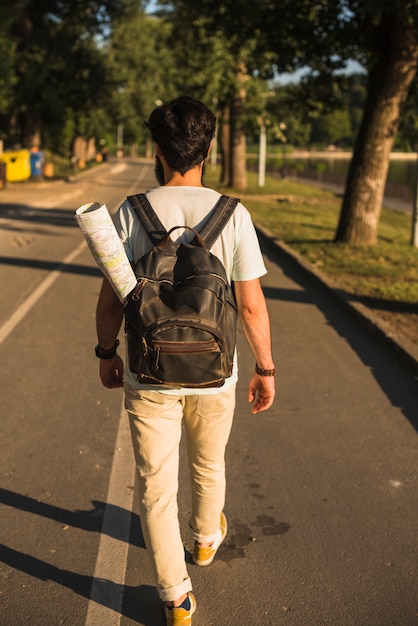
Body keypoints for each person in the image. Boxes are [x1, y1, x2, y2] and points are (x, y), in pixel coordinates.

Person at [95, 96, 276, 625]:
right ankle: (203, 540)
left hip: (148, 370)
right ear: (210, 148)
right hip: (216, 374)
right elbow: (250, 303)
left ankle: (176, 597)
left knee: (154, 481)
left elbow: (112, 299)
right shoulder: (233, 214)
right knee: (209, 462)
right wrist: (265, 368)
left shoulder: (132, 212)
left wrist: (108, 353)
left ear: (157, 149)